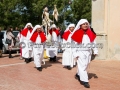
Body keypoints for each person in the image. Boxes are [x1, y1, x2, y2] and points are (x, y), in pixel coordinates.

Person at [71, 19, 98, 88]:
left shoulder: (90, 32)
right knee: (82, 66)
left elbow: (93, 42)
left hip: (88, 52)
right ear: (80, 25)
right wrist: (75, 54)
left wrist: (95, 50)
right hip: (80, 52)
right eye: (84, 24)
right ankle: (85, 81)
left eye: (86, 24)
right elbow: (74, 45)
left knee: (86, 65)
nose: (85, 25)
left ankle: (78, 74)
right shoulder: (77, 33)